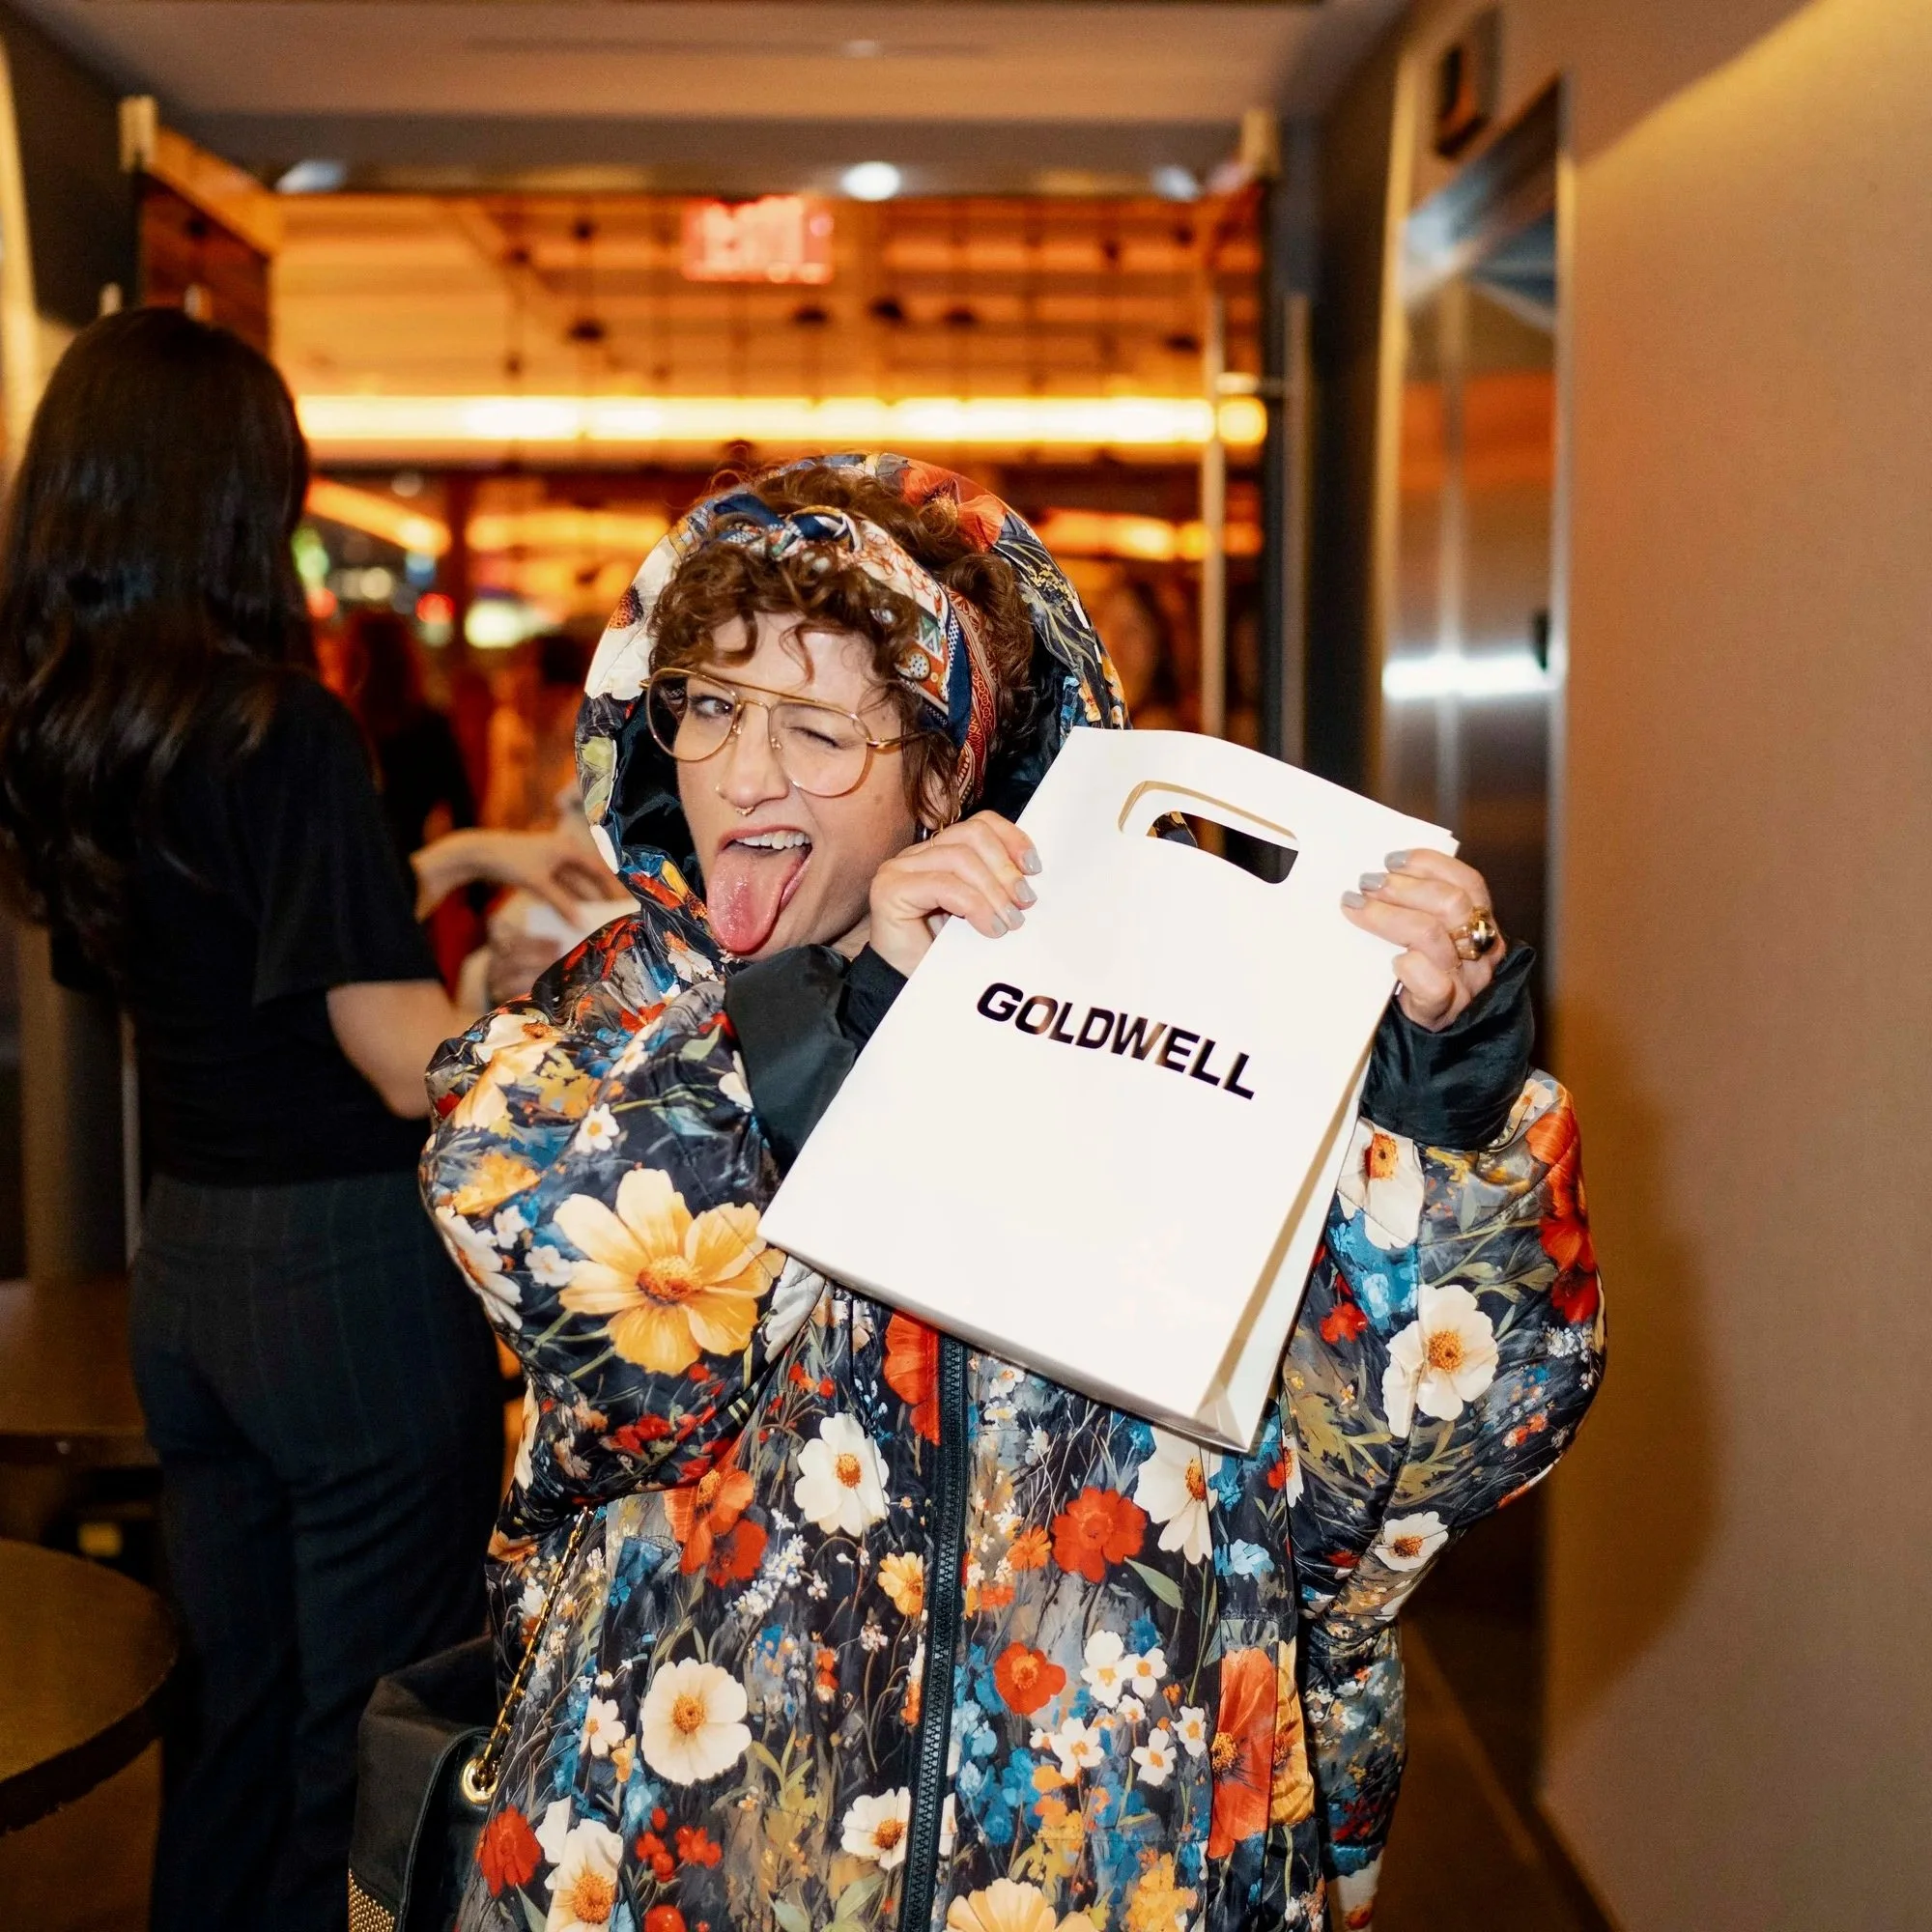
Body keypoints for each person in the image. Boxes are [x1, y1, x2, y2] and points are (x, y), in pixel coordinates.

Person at [420, 455, 1604, 1932]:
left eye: (817, 727)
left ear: (948, 773)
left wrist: (1447, 1109)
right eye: (710, 704)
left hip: (1116, 1850)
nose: (743, 772)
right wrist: (839, 1034)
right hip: (687, 1853)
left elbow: (1423, 1458)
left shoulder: (1162, 1030)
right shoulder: (617, 1016)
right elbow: (562, 1270)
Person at [0, 307, 602, 1932]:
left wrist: (465, 858)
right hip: (343, 1278)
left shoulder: (72, 726)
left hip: (189, 1269)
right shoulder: (284, 723)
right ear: (234, 496)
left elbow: (252, 955)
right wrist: (579, 989)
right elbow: (408, 1060)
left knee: (232, 1720)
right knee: (372, 1732)